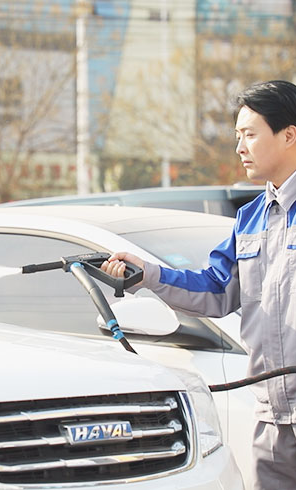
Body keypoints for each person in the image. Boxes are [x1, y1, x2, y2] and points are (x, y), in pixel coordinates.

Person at [101, 80, 296, 490]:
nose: (240, 147)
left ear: (289, 135)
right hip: (272, 420)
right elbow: (214, 290)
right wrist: (149, 273)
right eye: (237, 136)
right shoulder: (251, 218)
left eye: (250, 135)